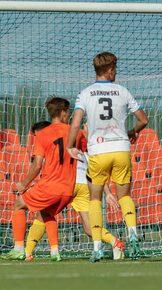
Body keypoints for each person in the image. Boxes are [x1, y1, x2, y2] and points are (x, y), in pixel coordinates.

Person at [67, 52, 149, 262]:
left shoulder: (85, 93)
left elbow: (76, 124)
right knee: (124, 196)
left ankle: (97, 247)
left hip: (98, 151)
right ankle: (132, 233)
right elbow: (143, 120)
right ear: (111, 69)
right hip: (121, 149)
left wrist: (70, 145)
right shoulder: (122, 91)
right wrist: (131, 132)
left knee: (95, 199)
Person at [23, 122, 125, 261]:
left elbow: (44, 167)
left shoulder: (51, 144)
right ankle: (115, 242)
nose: (37, 138)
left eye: (37, 135)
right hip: (84, 185)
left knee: (43, 214)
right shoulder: (77, 142)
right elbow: (94, 169)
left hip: (67, 183)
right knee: (89, 228)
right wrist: (107, 192)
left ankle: (28, 253)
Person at [1, 97, 76, 262]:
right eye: (68, 111)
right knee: (46, 213)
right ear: (63, 113)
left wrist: (23, 183)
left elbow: (36, 166)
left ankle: (19, 249)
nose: (69, 115)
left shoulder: (43, 135)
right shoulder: (76, 132)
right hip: (70, 189)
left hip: (52, 186)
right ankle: (55, 252)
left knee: (18, 204)